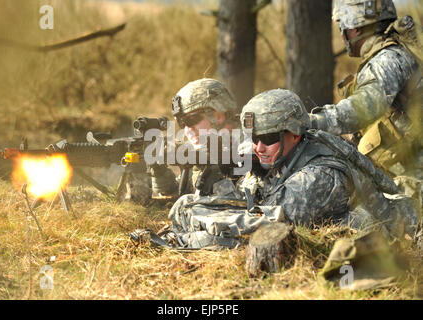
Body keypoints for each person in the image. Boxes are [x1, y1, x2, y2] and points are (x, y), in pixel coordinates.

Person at [165, 89, 419, 249]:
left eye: (268, 138)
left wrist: (193, 221)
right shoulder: (283, 155)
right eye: (253, 138)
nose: (259, 147)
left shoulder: (318, 177)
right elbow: (253, 199)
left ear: (294, 134)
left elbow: (262, 229)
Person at [309, 0, 421, 181]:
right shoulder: (398, 52)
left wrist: (311, 121)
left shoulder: (388, 59)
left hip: (413, 182)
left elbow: (363, 108)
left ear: (356, 27)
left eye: (342, 25)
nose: (342, 34)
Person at [151, 78, 242, 198]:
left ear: (219, 115)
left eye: (192, 120)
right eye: (182, 123)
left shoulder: (256, 149)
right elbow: (182, 191)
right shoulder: (203, 152)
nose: (187, 130)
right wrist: (159, 172)